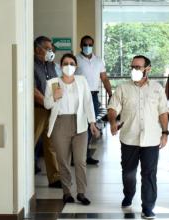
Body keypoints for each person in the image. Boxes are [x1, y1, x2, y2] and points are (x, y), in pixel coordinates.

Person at [108, 55, 169, 219]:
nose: (134, 70)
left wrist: (165, 132)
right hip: (129, 138)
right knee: (128, 173)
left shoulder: (157, 88)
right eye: (132, 67)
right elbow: (112, 108)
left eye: (138, 67)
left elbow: (163, 111)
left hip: (151, 139)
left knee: (149, 174)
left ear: (148, 69)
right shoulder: (123, 88)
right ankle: (128, 194)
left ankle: (148, 207)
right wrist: (113, 121)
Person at [44, 53, 100, 204]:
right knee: (63, 160)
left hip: (80, 123)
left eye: (71, 63)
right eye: (65, 63)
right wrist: (54, 97)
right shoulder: (52, 83)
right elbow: (47, 105)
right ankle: (67, 192)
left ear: (76, 66)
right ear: (60, 66)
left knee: (80, 160)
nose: (68, 66)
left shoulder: (82, 81)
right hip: (60, 123)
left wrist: (92, 123)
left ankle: (81, 193)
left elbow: (88, 102)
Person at [75, 35, 113, 165]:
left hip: (94, 96)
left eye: (90, 44)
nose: (87, 47)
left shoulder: (98, 61)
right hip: (79, 96)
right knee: (79, 125)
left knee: (91, 125)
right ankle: (77, 156)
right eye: (85, 44)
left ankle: (85, 155)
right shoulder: (75, 59)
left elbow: (104, 78)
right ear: (81, 45)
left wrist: (110, 93)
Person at [33, 36, 62, 188]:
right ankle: (23, 174)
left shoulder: (50, 65)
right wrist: (46, 102)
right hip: (38, 110)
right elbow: (33, 90)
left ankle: (55, 178)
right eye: (48, 48)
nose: (51, 51)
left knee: (51, 144)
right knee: (30, 142)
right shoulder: (30, 64)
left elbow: (55, 85)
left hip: (51, 109)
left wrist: (57, 103)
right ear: (38, 49)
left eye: (51, 49)